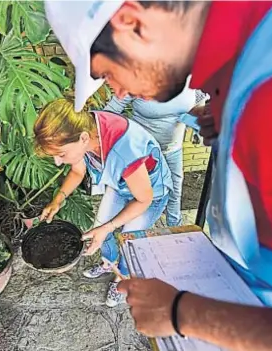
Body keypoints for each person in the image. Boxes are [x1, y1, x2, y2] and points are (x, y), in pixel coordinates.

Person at [44, 1, 272, 350]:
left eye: (106, 74)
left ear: (132, 22)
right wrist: (229, 108)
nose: (118, 93)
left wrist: (182, 312)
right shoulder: (265, 35)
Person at [34, 98, 173, 307]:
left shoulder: (124, 151)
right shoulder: (85, 128)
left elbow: (144, 199)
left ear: (82, 138)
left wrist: (109, 227)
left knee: (128, 240)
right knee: (100, 227)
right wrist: (58, 200)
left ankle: (122, 279)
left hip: (150, 194)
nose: (58, 162)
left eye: (61, 154)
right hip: (121, 185)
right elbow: (78, 170)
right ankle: (109, 263)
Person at [103, 79, 208, 227]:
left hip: (172, 150)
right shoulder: (137, 77)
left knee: (174, 194)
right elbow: (110, 111)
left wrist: (200, 126)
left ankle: (175, 230)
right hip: (140, 154)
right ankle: (119, 229)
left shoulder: (193, 77)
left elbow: (198, 105)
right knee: (133, 193)